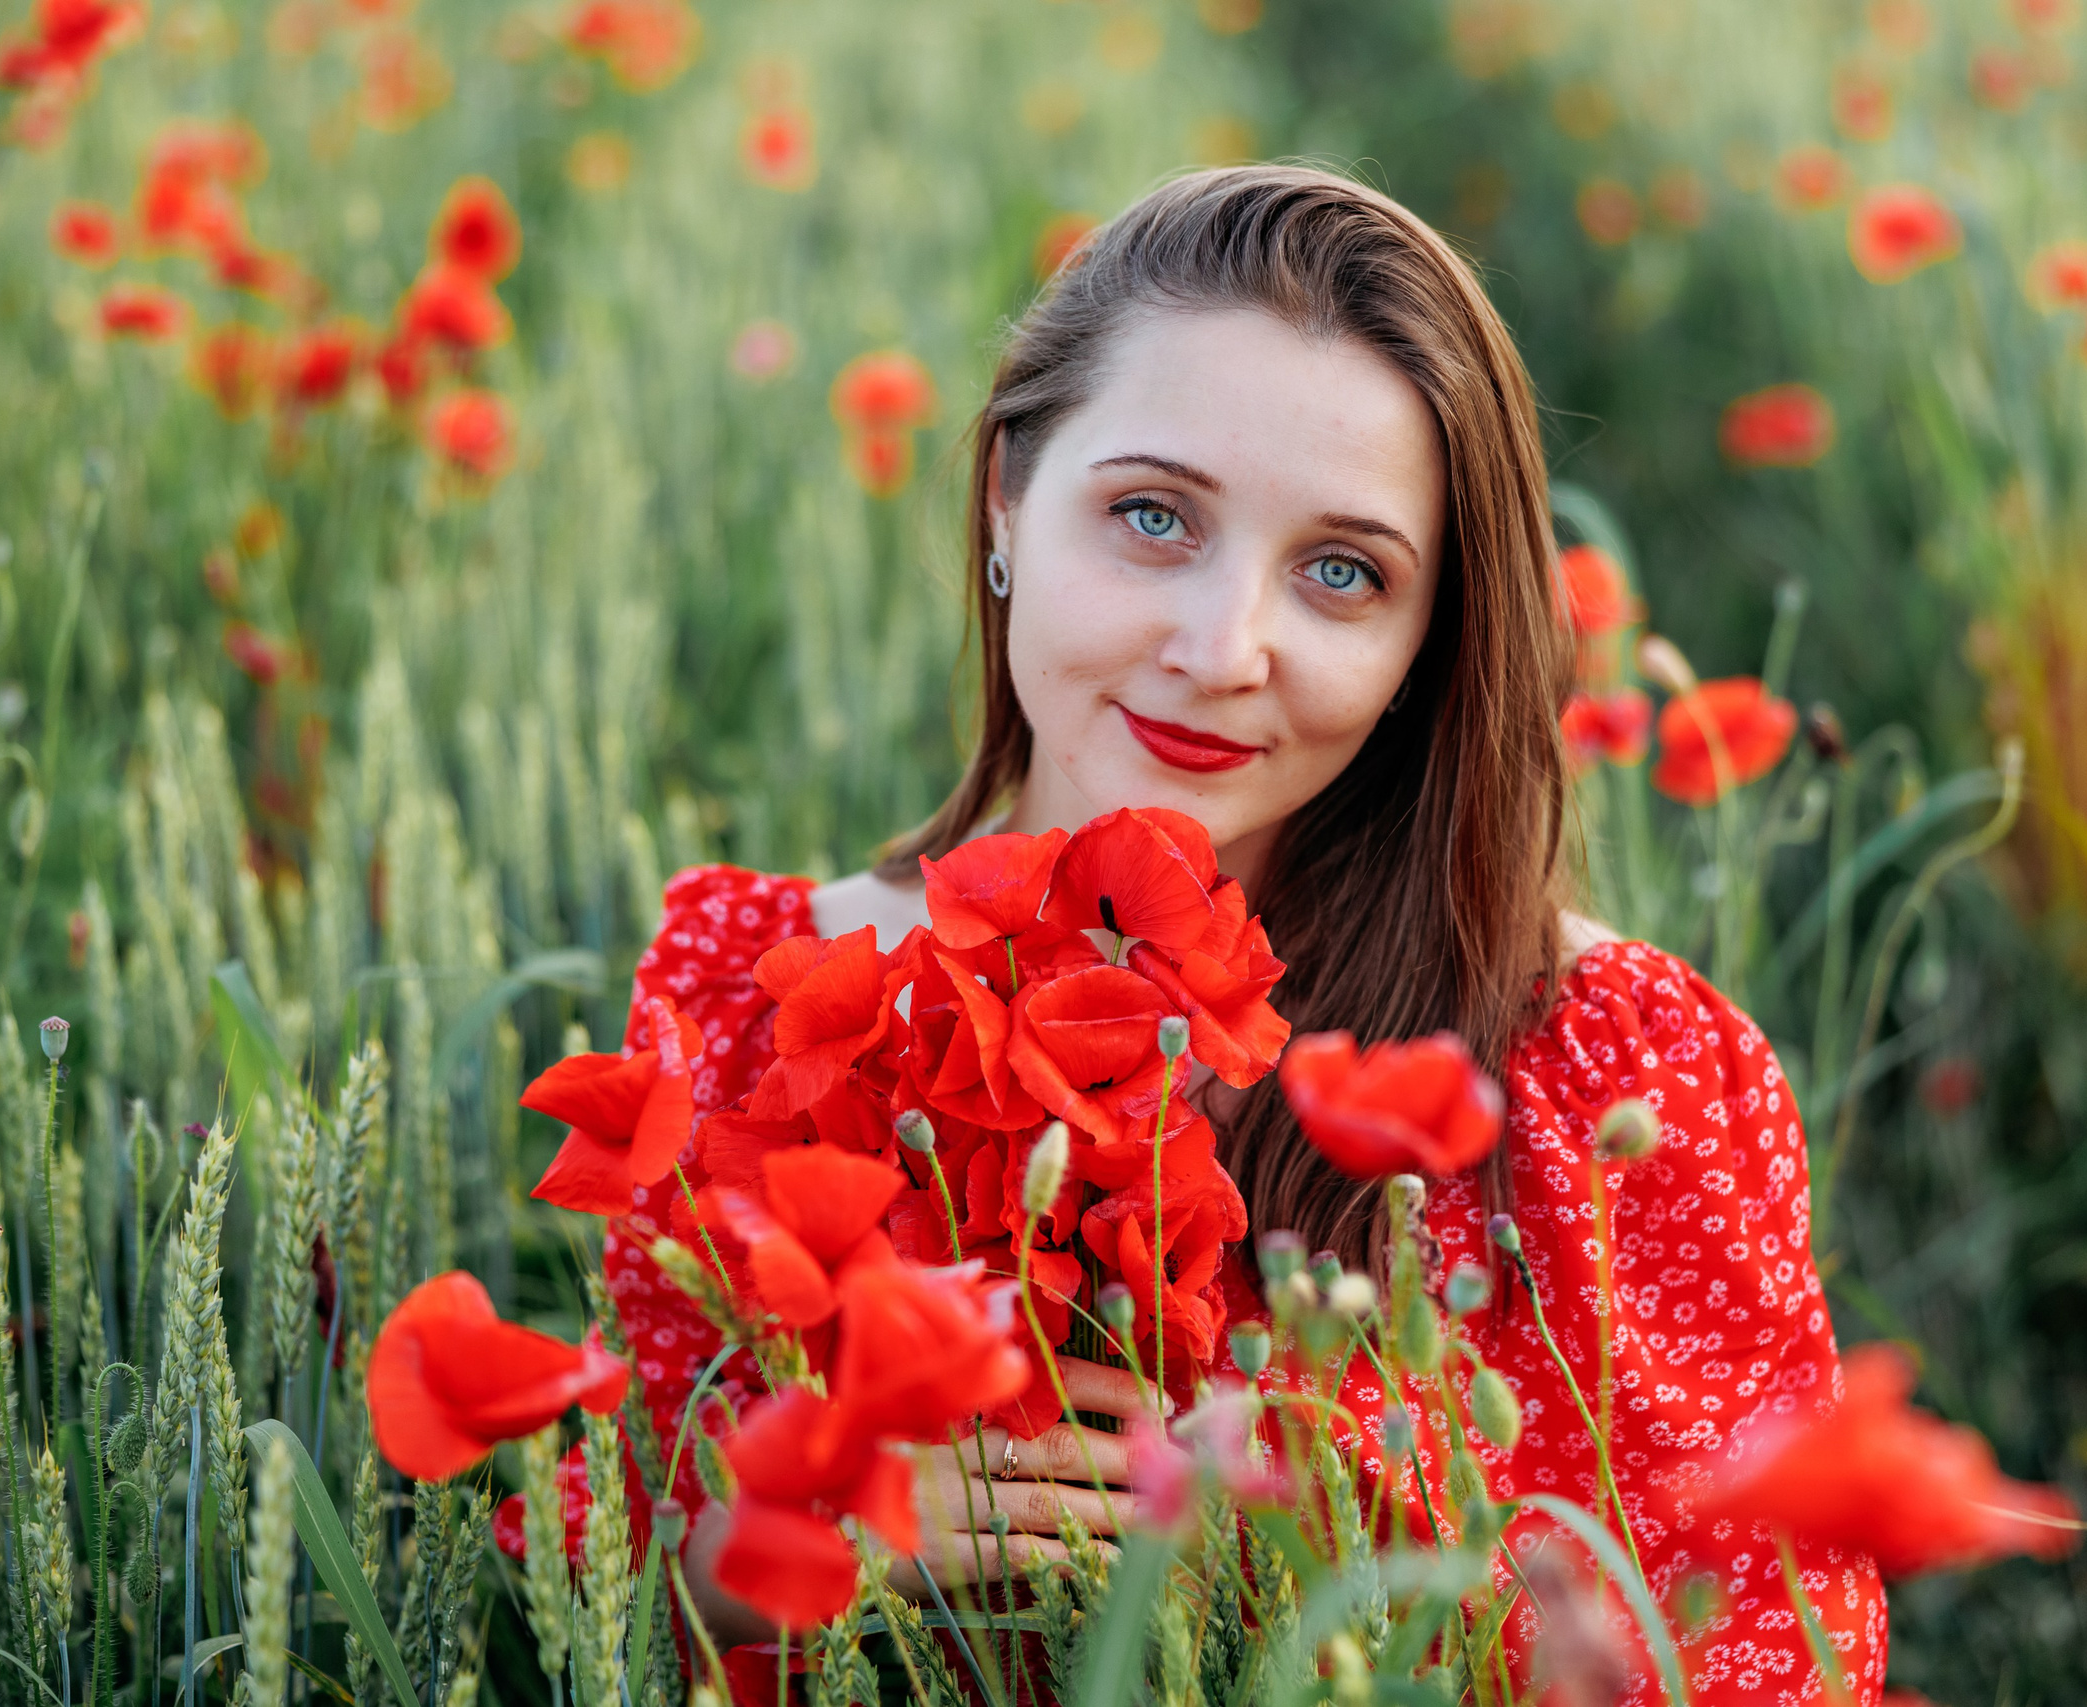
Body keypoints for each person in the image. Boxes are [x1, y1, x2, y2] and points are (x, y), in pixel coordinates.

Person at [602, 164, 1884, 1704]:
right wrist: (759, 1551)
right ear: (1008, 497)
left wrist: (1315, 1590)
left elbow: (1757, 1652)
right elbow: (586, 1591)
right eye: (1153, 516)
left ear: (1429, 640)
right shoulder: (754, 1012)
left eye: (1342, 573)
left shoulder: (1610, 1083)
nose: (1224, 651)